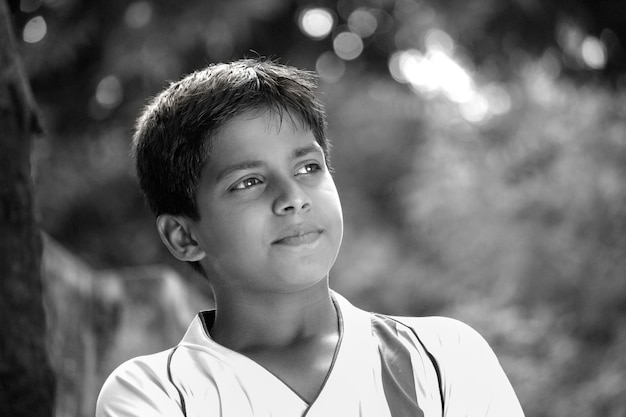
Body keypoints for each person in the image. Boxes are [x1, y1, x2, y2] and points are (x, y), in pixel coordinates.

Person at [96, 58, 525, 417]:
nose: (293, 198)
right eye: (248, 182)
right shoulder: (157, 395)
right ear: (183, 235)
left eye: (307, 168)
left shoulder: (440, 359)